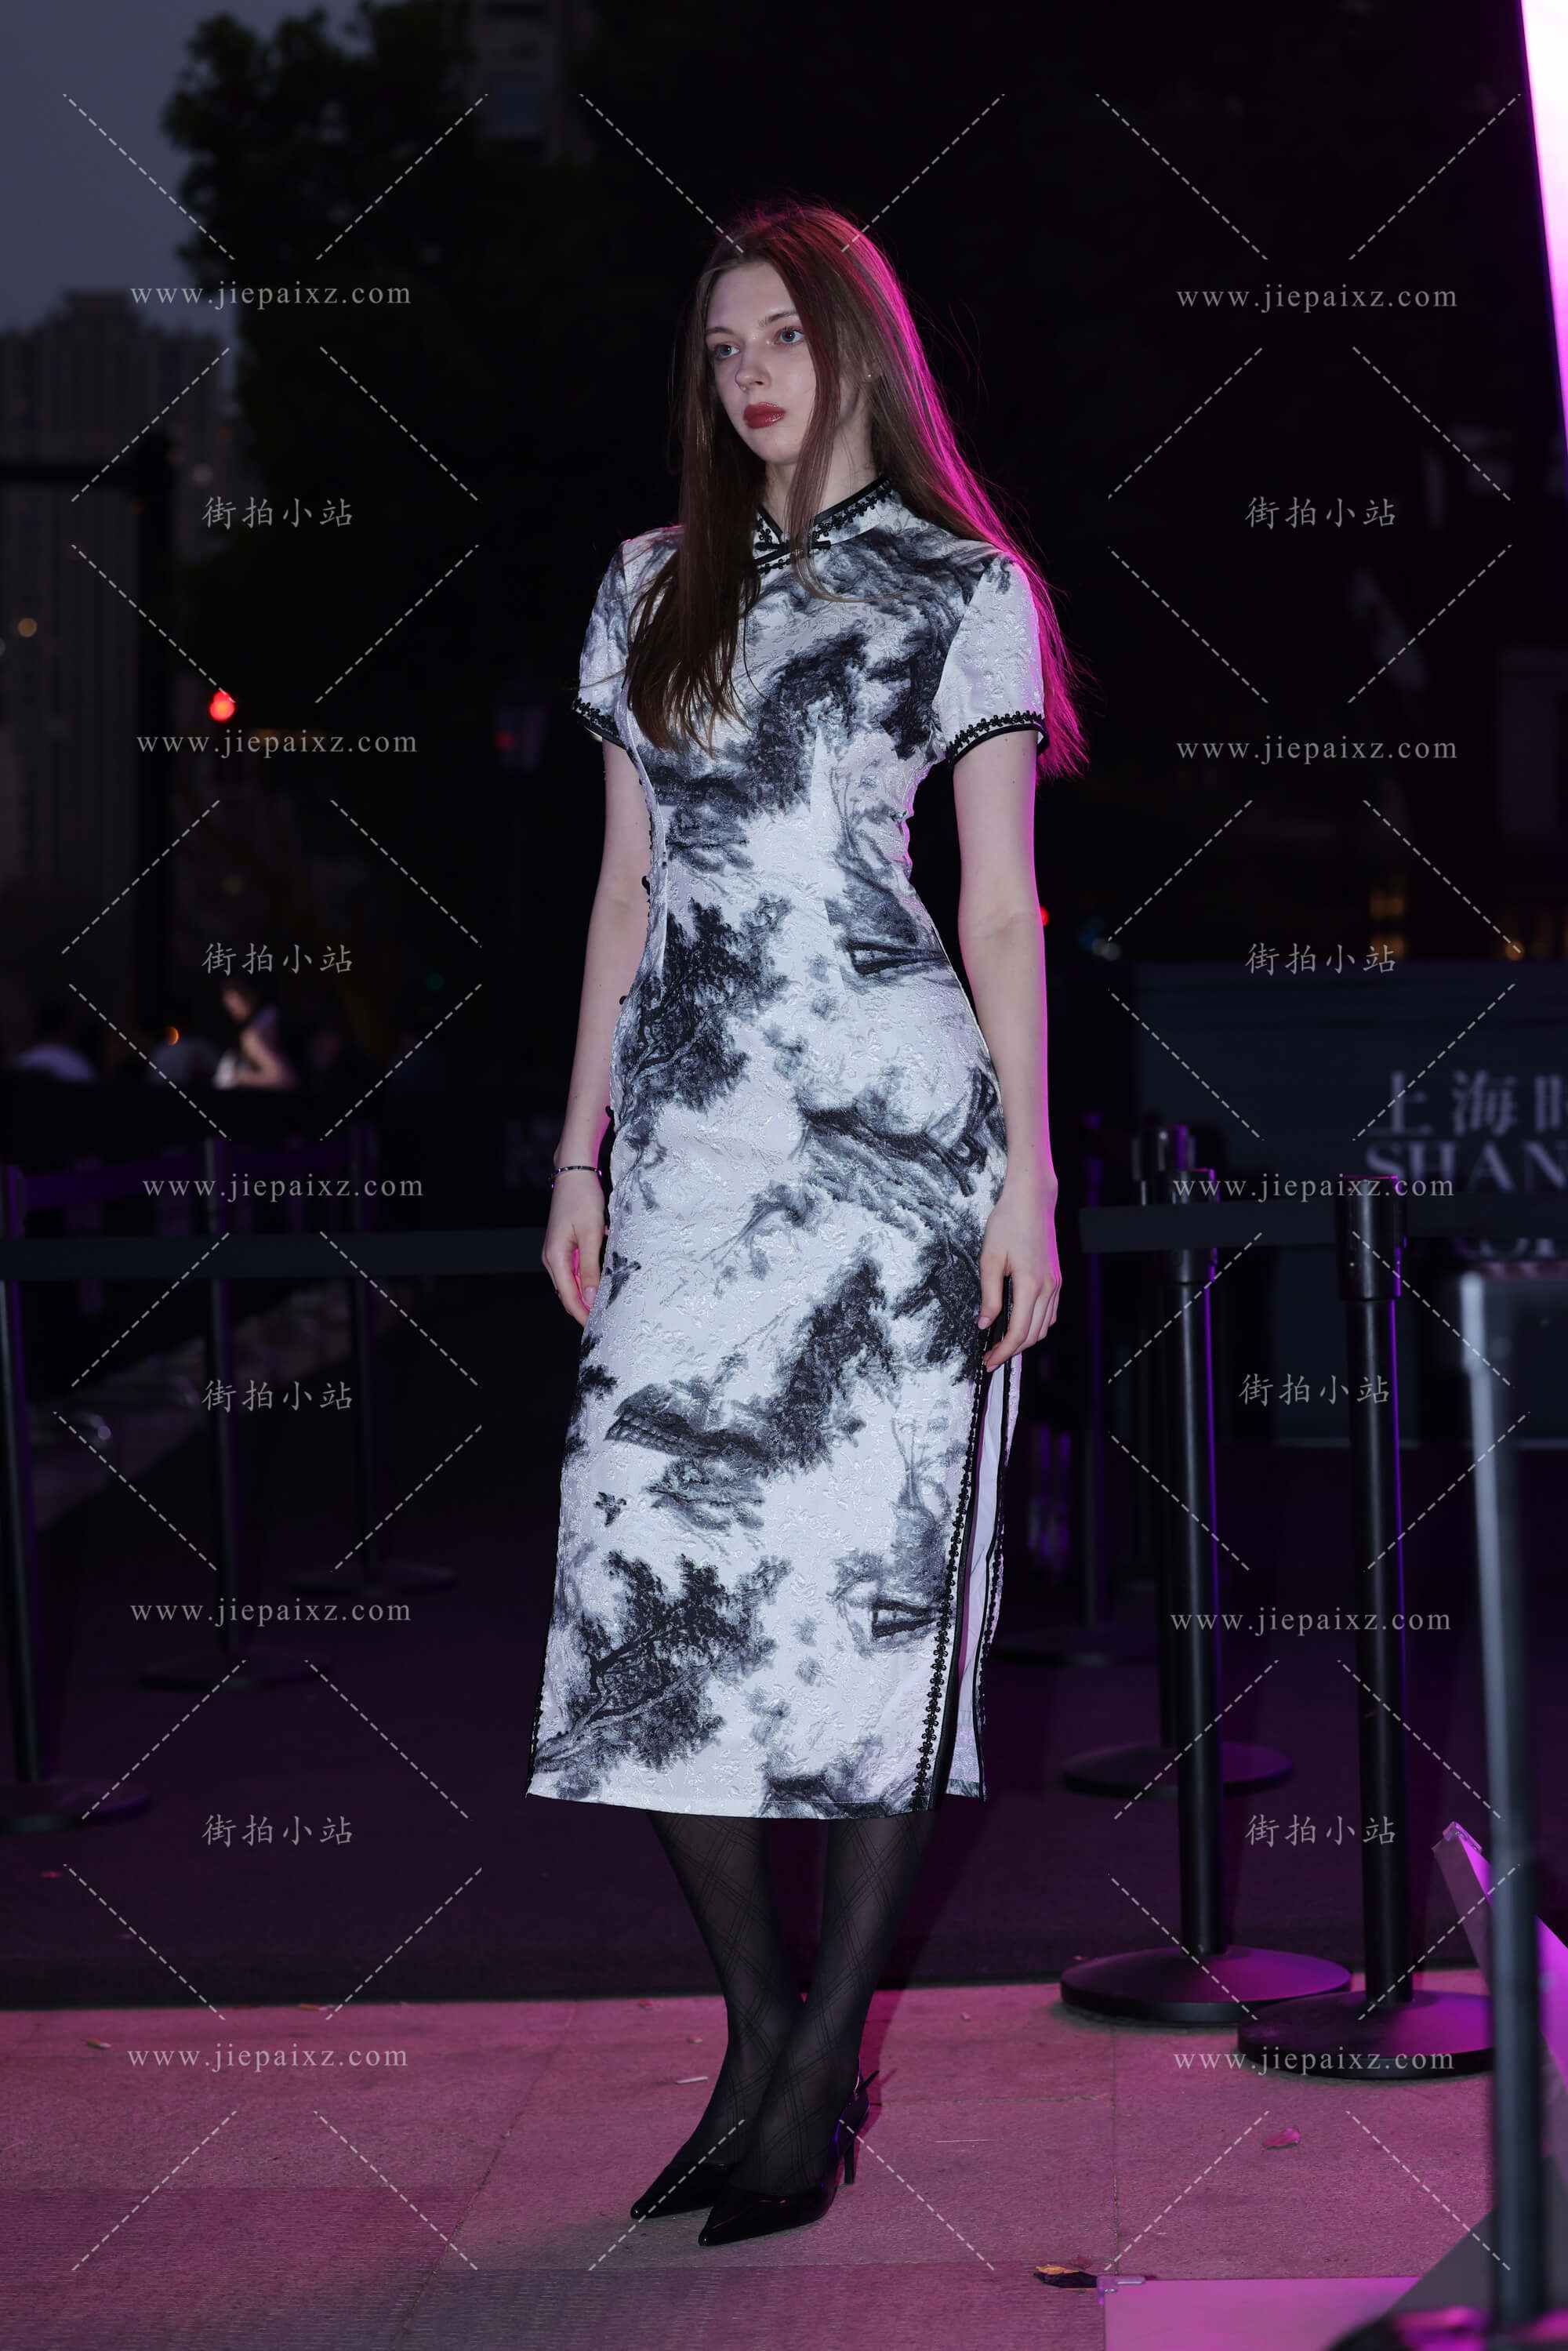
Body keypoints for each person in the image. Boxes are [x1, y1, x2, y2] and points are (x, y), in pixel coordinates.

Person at [530, 198, 1083, 2248]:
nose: (750, 371)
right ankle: (765, 2036)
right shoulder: (646, 583)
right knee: (642, 1571)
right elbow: (623, 890)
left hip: (892, 1141)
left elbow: (1000, 907)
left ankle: (819, 2055)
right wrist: (580, 1154)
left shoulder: (964, 584)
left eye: (783, 333)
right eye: (721, 344)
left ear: (858, 348)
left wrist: (1028, 1175)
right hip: (691, 1151)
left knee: (869, 1609)